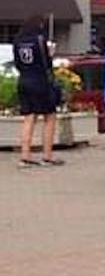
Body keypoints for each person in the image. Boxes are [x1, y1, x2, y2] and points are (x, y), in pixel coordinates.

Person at [12, 14, 63, 168]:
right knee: (49, 116)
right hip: (40, 81)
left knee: (29, 117)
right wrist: (50, 54)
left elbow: (17, 63)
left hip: (24, 80)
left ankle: (25, 155)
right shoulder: (39, 41)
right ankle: (47, 156)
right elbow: (46, 63)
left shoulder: (18, 41)